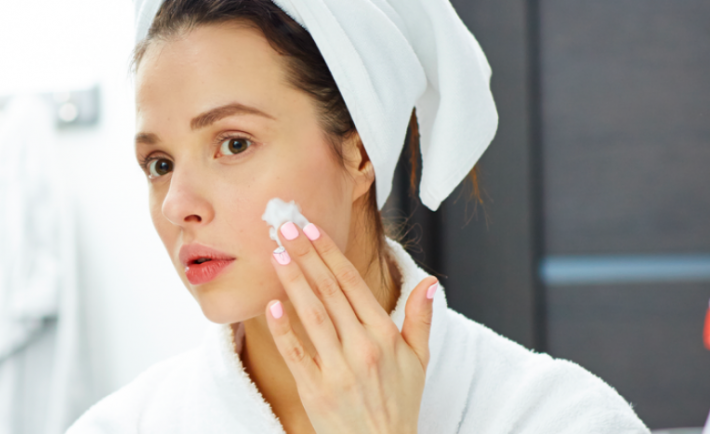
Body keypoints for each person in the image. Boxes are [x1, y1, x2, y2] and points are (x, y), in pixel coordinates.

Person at [67, 0, 651, 432]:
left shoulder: (558, 417)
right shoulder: (119, 426)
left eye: (234, 143)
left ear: (361, 151)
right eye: (159, 162)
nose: (177, 205)